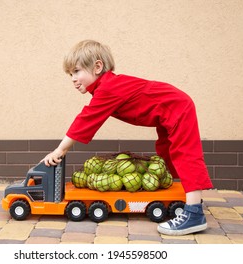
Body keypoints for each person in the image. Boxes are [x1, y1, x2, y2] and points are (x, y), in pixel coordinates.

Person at [42, 40, 213, 236]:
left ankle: (194, 214)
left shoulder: (108, 87)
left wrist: (60, 150)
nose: (73, 78)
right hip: (170, 109)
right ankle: (190, 197)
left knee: (184, 153)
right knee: (166, 152)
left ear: (97, 67)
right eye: (70, 74)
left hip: (177, 107)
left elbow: (86, 120)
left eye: (77, 71)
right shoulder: (105, 89)